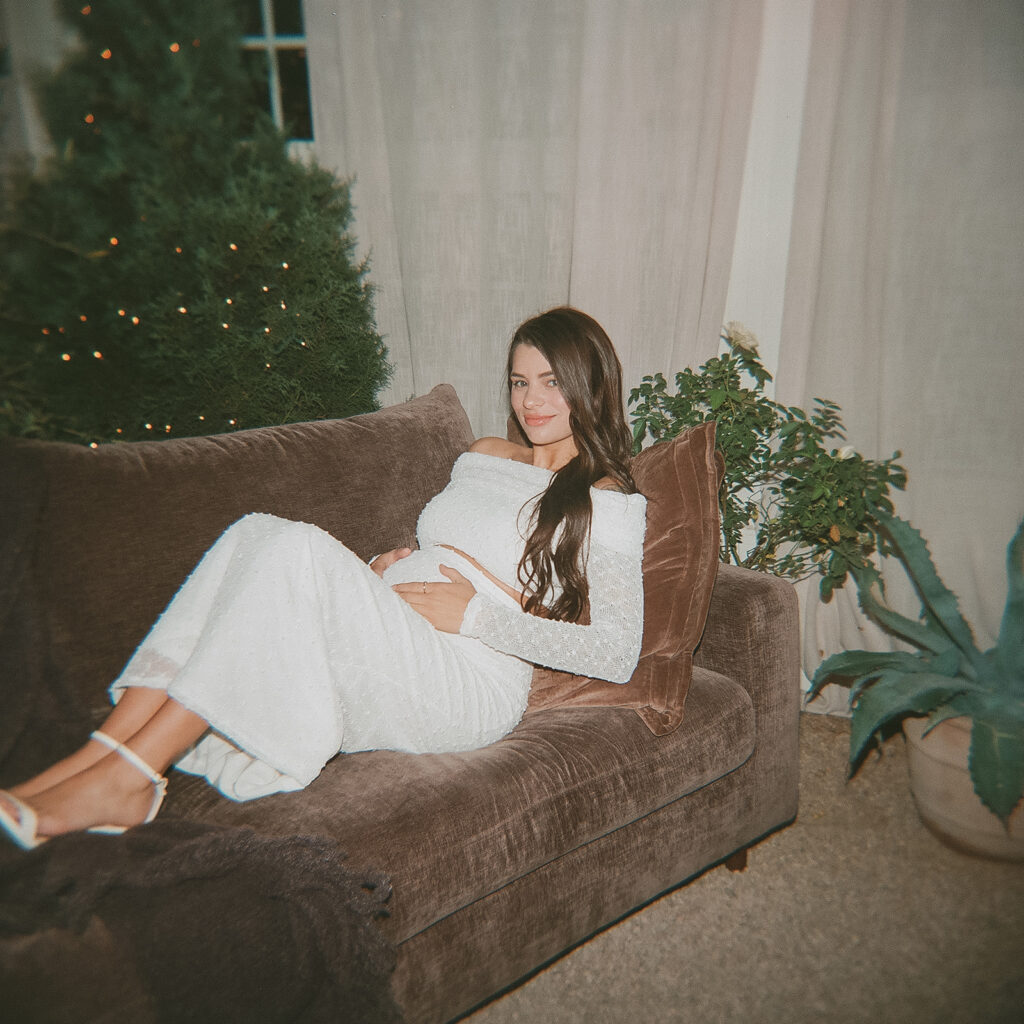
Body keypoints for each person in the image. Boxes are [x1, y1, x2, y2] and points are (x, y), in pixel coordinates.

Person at [0, 307, 647, 850]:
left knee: (297, 548)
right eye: (519, 381)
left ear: (588, 385)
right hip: (398, 637)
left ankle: (132, 777)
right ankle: (94, 760)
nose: (531, 400)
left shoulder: (607, 499)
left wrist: (476, 616)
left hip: (470, 676)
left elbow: (616, 653)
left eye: (551, 382)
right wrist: (375, 573)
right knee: (254, 532)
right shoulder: (482, 454)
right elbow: (438, 546)